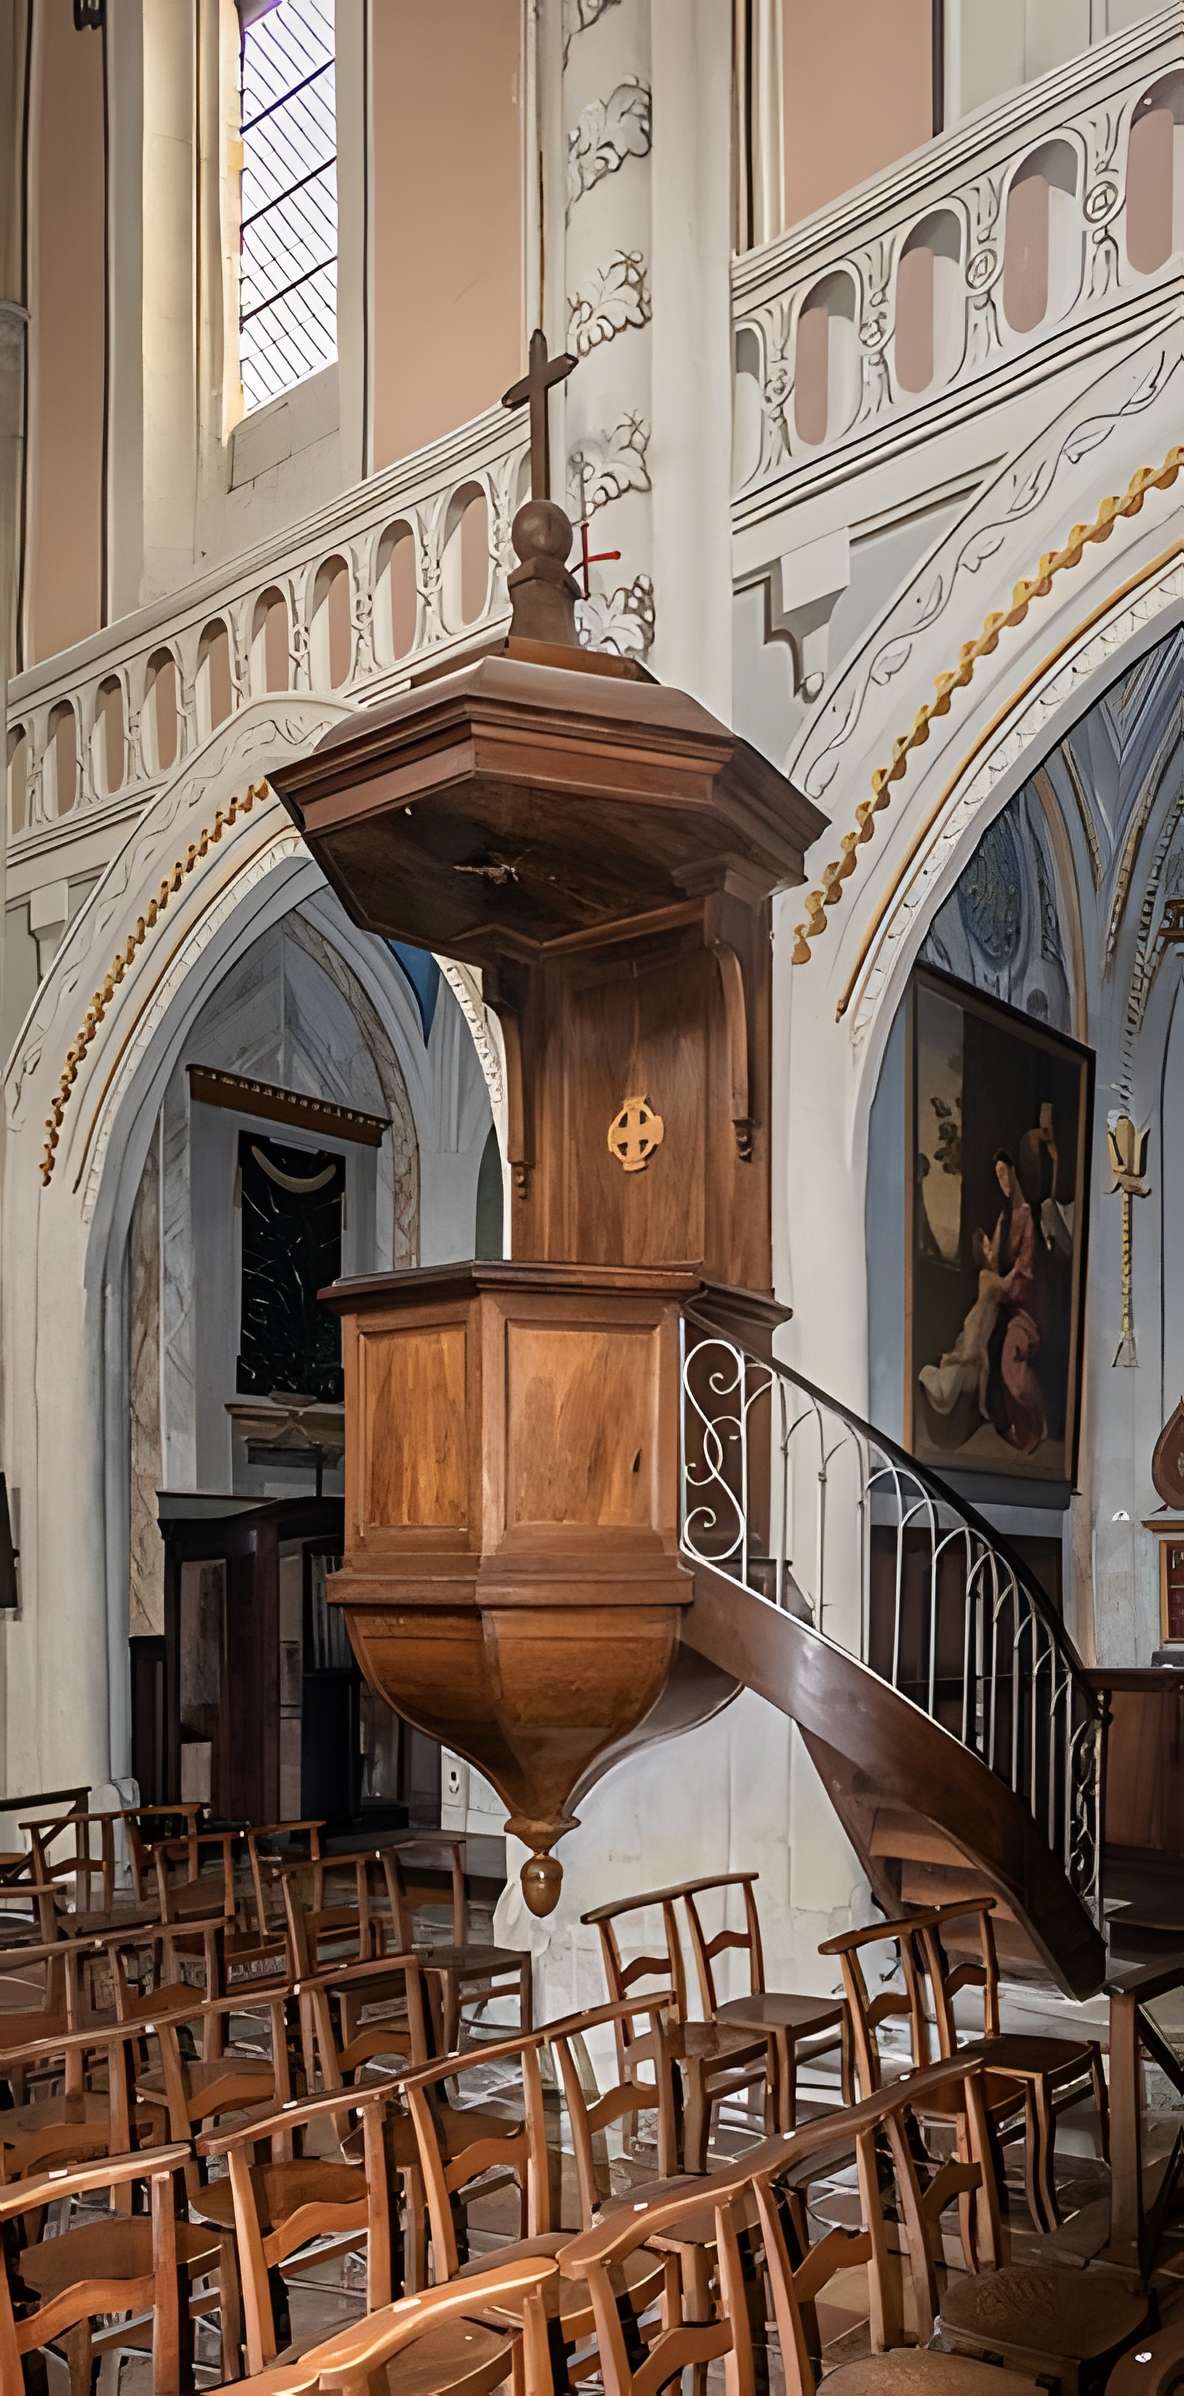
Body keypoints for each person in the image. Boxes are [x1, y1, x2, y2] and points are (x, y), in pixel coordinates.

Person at [982, 1148, 1047, 1454]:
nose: (1002, 1181)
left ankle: (1037, 1423)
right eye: (997, 1176)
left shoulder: (1027, 1216)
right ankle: (1019, 1430)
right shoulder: (1004, 1217)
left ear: (1015, 1174)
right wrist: (987, 1255)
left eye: (1004, 1174)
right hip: (1005, 1305)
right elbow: (995, 1257)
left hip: (1026, 1308)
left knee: (1013, 1362)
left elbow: (1027, 1267)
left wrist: (1006, 1285)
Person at [918, 1228, 1001, 1419]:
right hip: (976, 1322)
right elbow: (1006, 1286)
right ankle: (947, 1362)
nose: (991, 1251)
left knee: (983, 1365)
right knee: (968, 1362)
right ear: (981, 1252)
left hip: (982, 1324)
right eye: (986, 1248)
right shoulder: (986, 1276)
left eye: (990, 1246)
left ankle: (982, 1408)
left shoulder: (991, 1273)